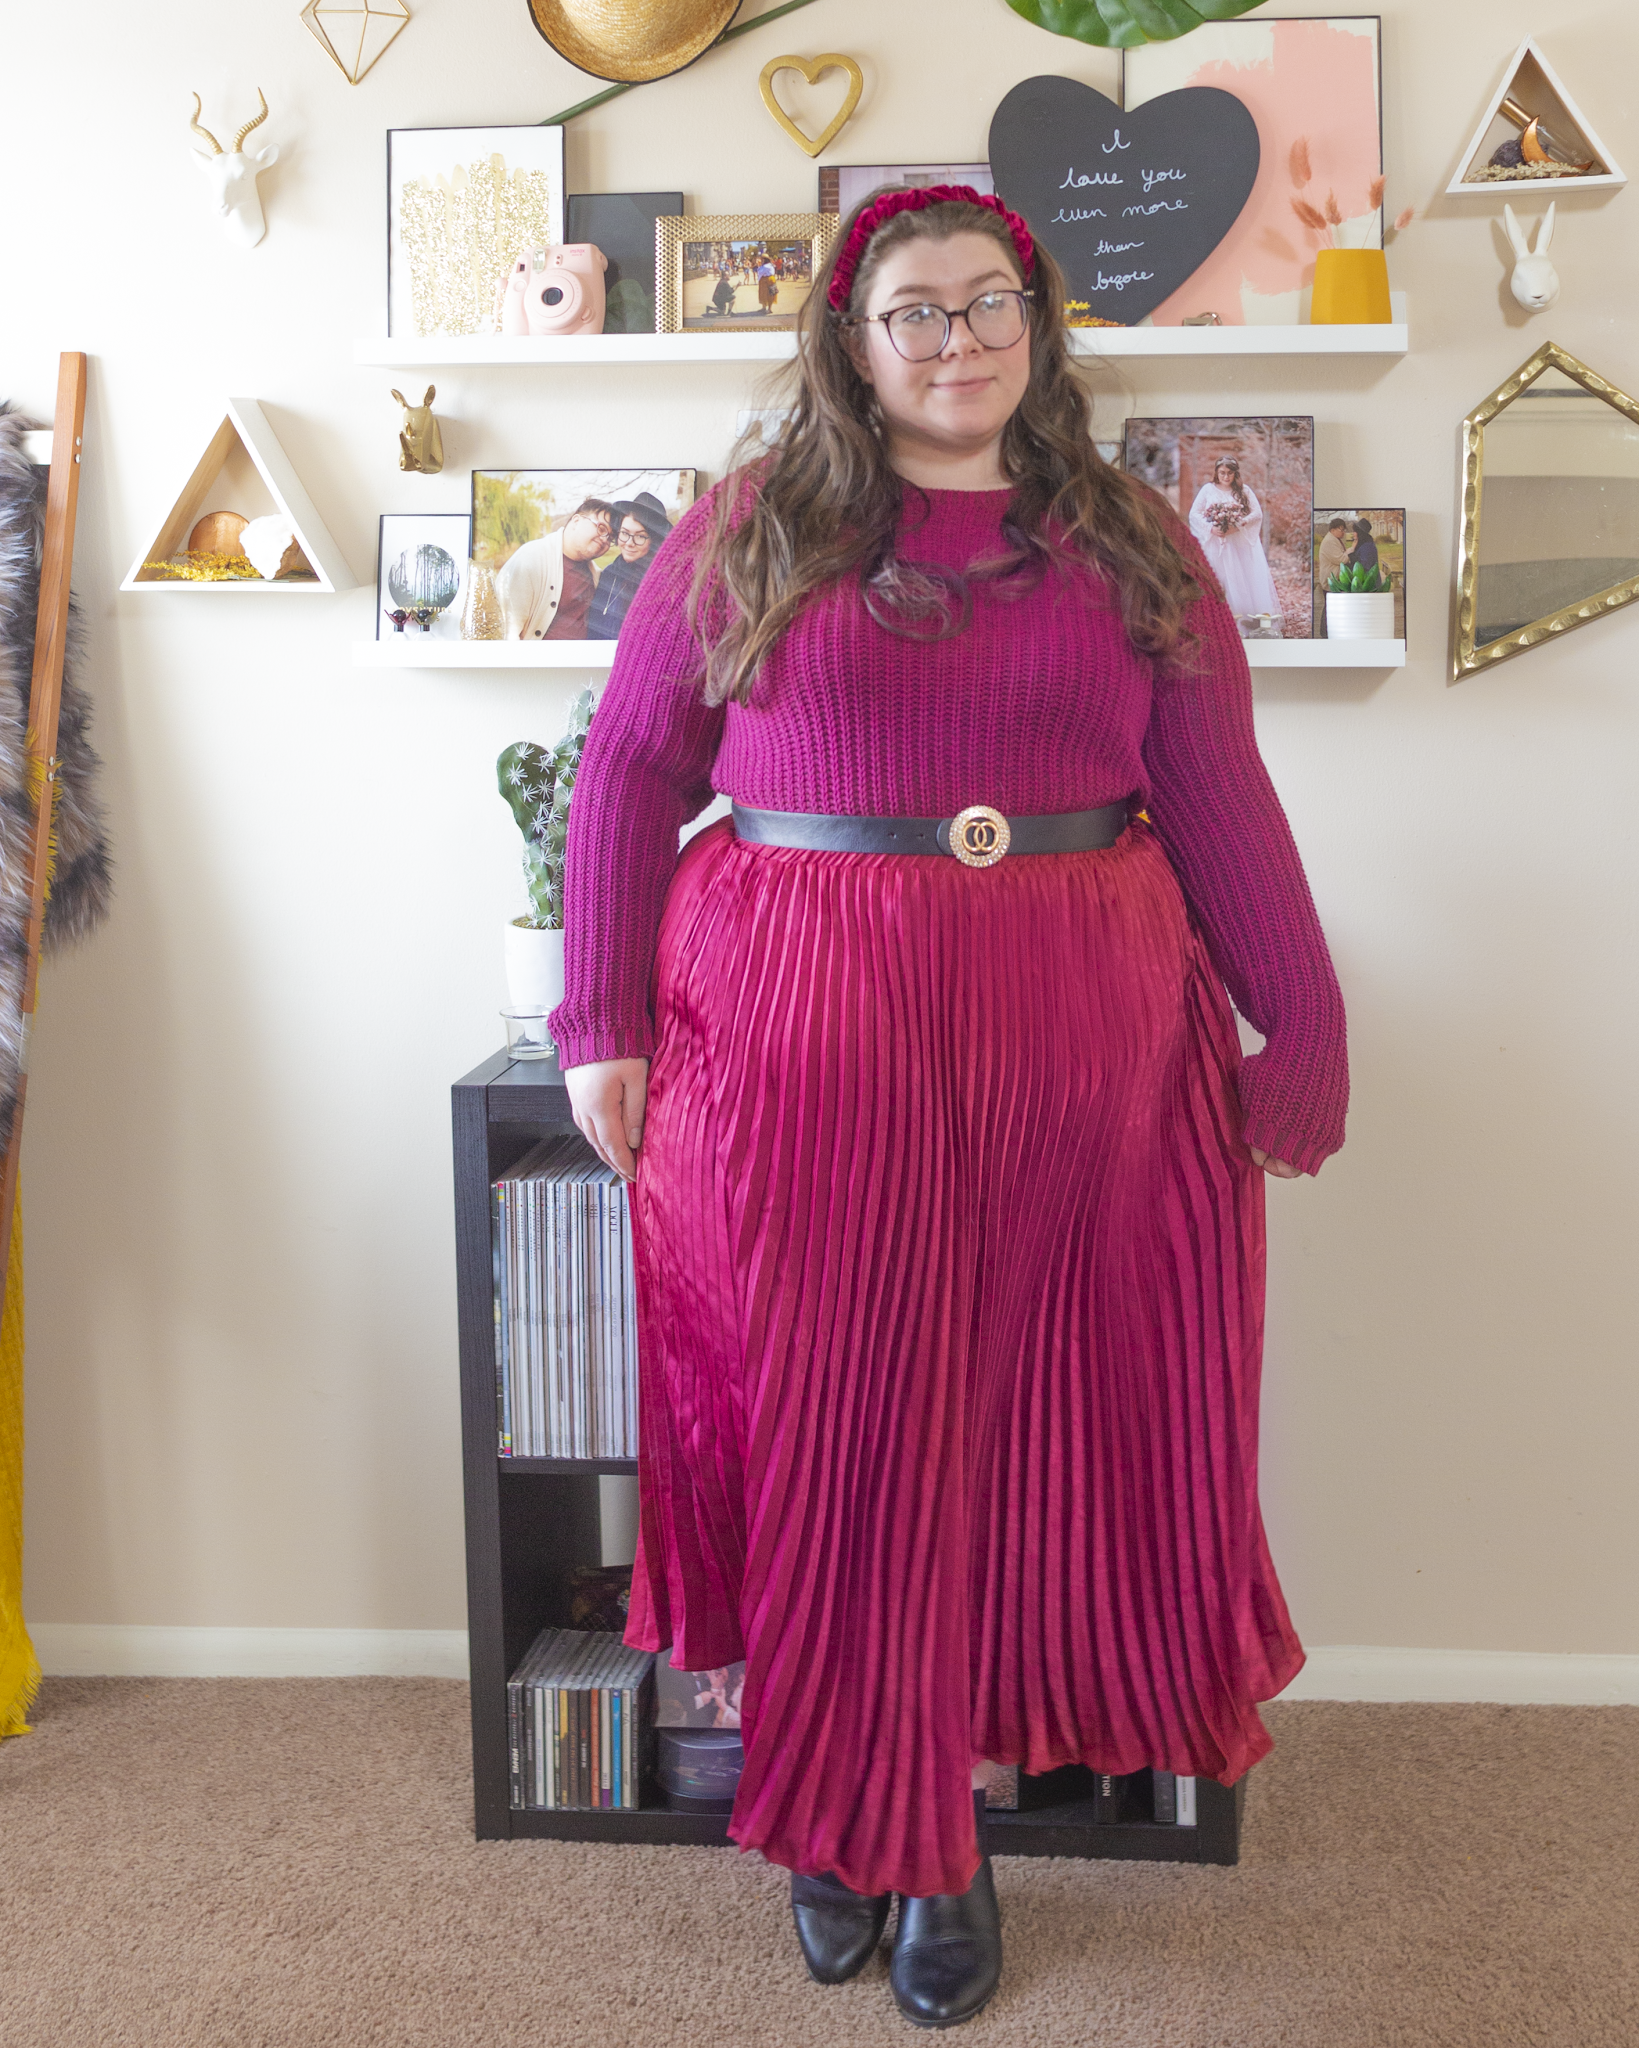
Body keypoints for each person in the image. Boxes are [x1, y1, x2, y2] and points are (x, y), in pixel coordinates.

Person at [553, 185, 1347, 2029]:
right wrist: (593, 1008)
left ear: (1035, 327)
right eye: (911, 310)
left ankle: (913, 1820)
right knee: (836, 1431)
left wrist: (1293, 1018)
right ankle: (884, 1825)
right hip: (799, 1036)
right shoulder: (747, 527)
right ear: (849, 338)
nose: (956, 339)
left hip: (1077, 1045)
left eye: (989, 304)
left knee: (1010, 1440)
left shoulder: (1129, 534)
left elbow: (1215, 792)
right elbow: (628, 764)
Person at [1188, 455, 1283, 633]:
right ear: (1216, 473)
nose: (1226, 477)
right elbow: (1194, 514)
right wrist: (1210, 528)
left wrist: (1238, 525)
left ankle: (1242, 622)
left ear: (1235, 474)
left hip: (1237, 543)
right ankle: (1214, 622)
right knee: (1218, 578)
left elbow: (1256, 514)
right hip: (1215, 543)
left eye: (1230, 473)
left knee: (1238, 580)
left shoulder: (1243, 490)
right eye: (1222, 473)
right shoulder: (1208, 489)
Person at [494, 498, 613, 640]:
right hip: (538, 661)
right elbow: (507, 629)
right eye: (601, 528)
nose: (605, 539)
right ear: (576, 521)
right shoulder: (531, 558)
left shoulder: (598, 576)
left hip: (585, 661)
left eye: (611, 538)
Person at [587, 493, 674, 640]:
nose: (629, 543)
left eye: (640, 536)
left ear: (654, 540)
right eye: (625, 533)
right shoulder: (609, 573)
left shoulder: (664, 580)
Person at [1316, 514, 1351, 587]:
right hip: (1330, 582)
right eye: (1341, 530)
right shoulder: (1329, 541)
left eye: (1344, 530)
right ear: (1332, 530)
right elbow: (1342, 560)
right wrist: (1350, 550)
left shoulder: (1335, 539)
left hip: (1335, 580)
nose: (1343, 532)